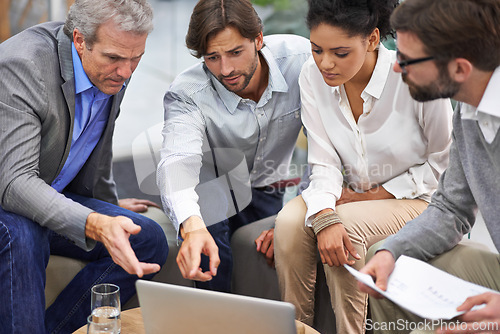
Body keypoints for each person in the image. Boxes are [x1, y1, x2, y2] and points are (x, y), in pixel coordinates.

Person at [272, 0, 454, 332]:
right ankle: (295, 328)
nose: (325, 63)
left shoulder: (415, 77)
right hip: (353, 195)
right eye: (316, 49)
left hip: (423, 200)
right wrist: (324, 215)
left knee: (347, 227)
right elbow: (323, 161)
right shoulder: (312, 77)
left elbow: (446, 165)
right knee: (288, 222)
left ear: (372, 40)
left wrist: (378, 194)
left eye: (340, 53)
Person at [0, 0, 169, 332]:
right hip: (7, 197)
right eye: (115, 58)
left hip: (48, 192)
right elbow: (15, 182)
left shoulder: (114, 64)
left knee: (147, 238)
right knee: (23, 233)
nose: (126, 72)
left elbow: (94, 143)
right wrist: (94, 222)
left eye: (137, 58)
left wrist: (108, 207)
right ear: (79, 40)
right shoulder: (22, 67)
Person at [358, 0, 500, 333]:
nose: (396, 67)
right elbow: (452, 208)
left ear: (460, 69)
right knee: (387, 261)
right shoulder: (468, 112)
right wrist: (392, 251)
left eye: (407, 60)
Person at [156, 0, 311, 292]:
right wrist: (191, 224)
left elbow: (325, 148)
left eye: (235, 52)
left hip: (267, 186)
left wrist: (299, 211)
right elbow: (177, 161)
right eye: (212, 57)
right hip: (211, 184)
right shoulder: (187, 92)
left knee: (264, 262)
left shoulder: (301, 61)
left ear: (259, 39)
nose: (225, 69)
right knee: (209, 241)